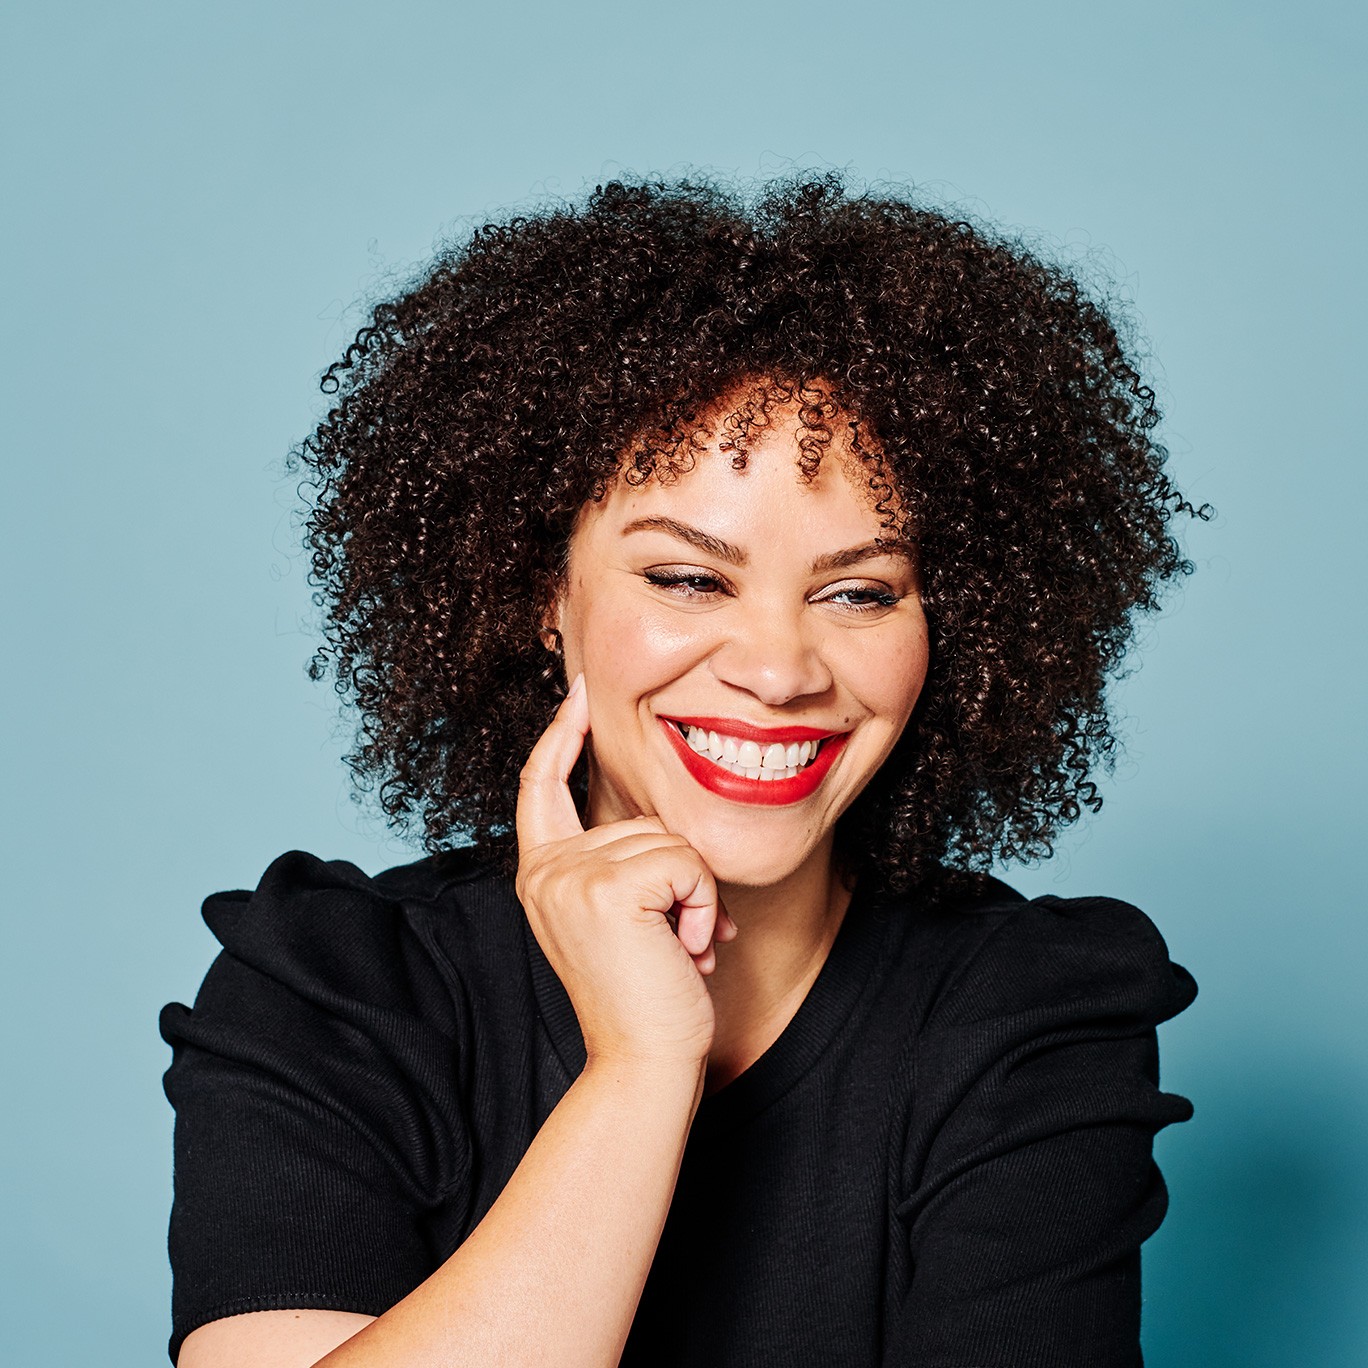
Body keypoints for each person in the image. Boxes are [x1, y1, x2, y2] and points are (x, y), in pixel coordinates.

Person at [160, 174, 1201, 1367]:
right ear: (541, 595)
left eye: (860, 592)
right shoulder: (334, 983)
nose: (779, 670)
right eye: (689, 579)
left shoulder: (1029, 1013)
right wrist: (643, 1066)